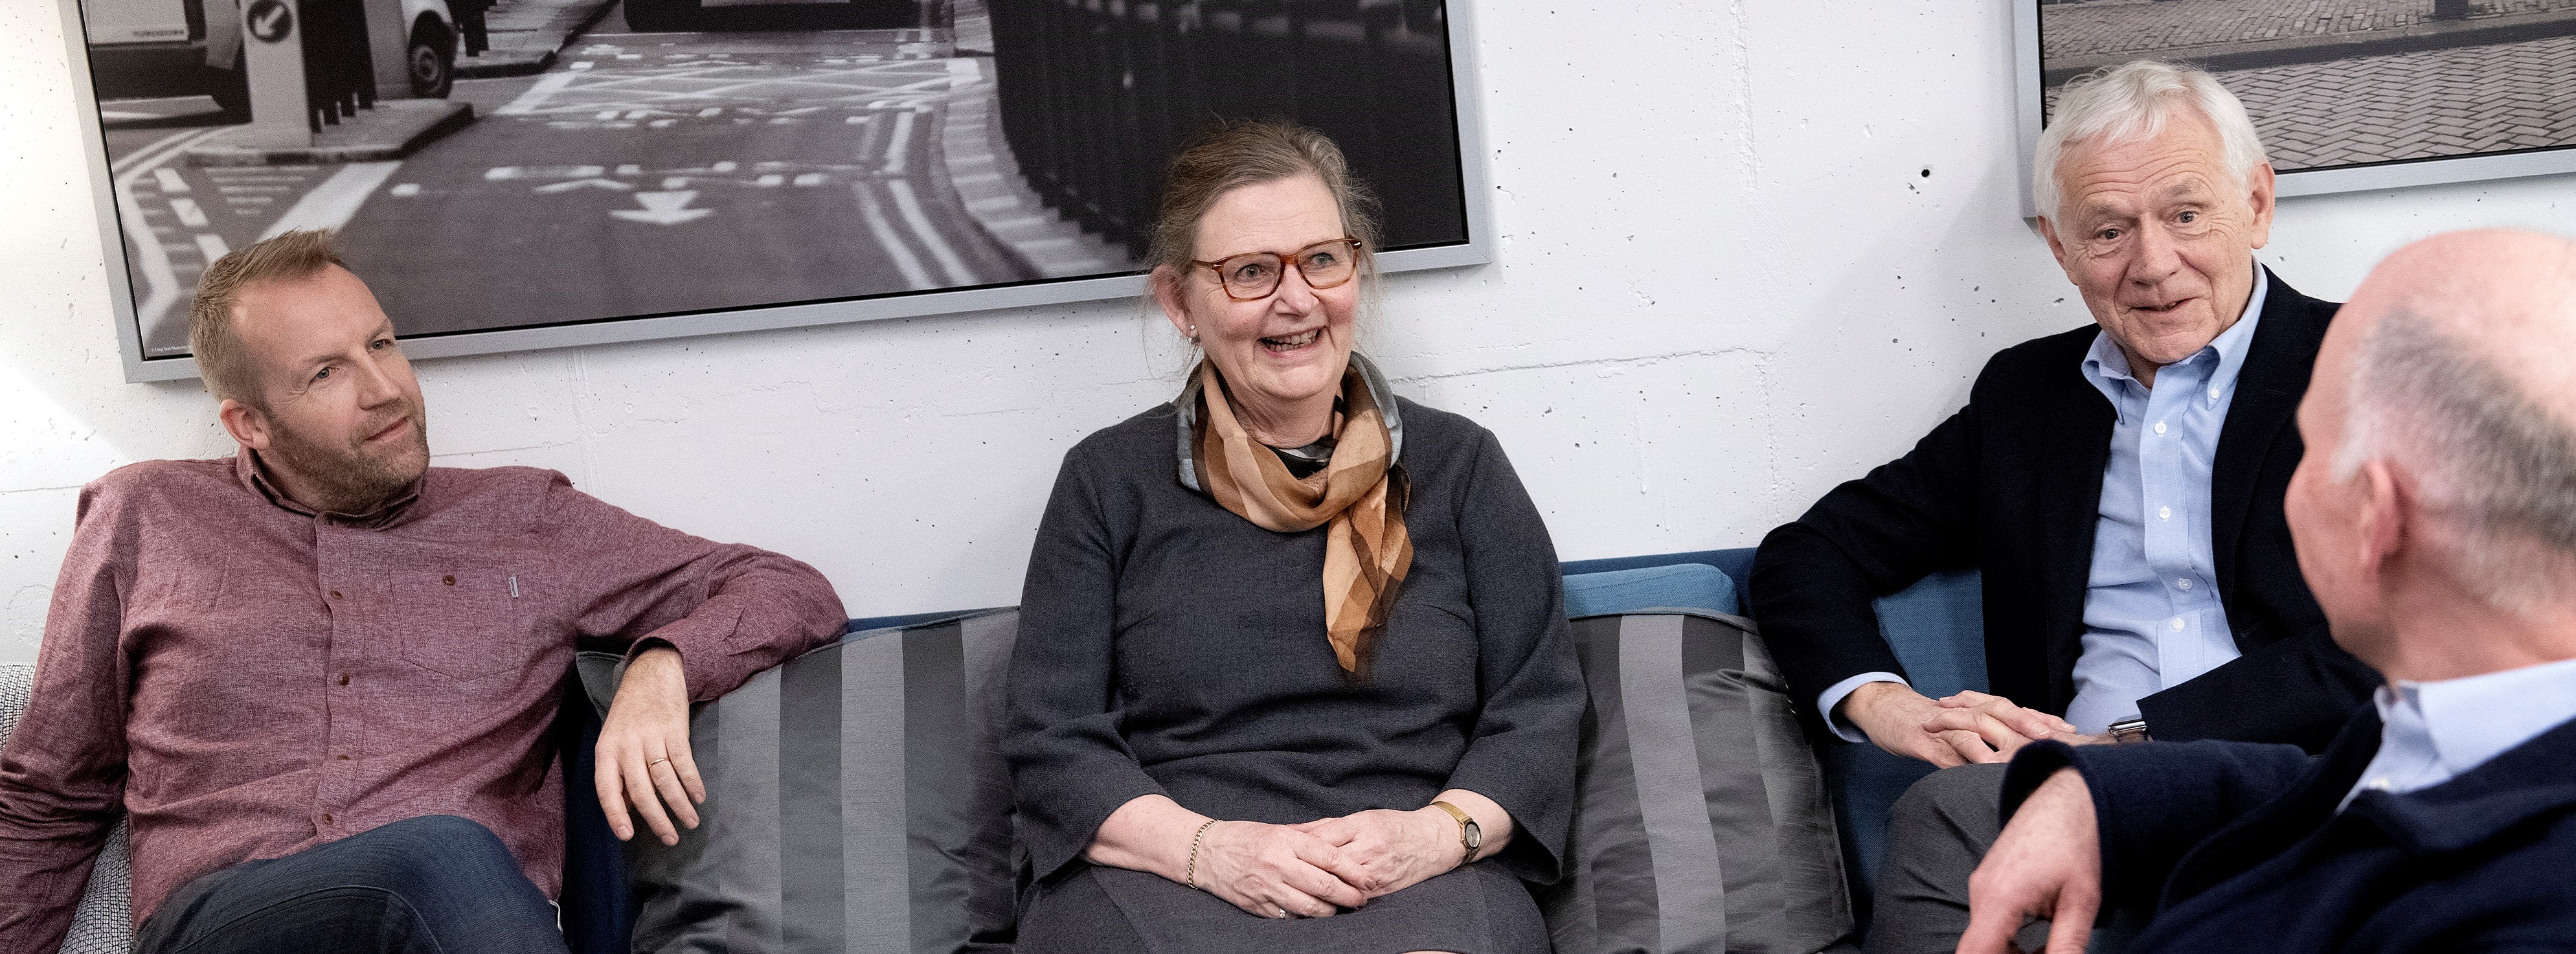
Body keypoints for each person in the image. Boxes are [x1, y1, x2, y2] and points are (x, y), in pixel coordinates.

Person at [0, 230, 850, 953]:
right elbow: (48, 795)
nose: (384, 389)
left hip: (465, 924)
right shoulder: (144, 513)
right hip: (233, 919)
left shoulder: (528, 520)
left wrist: (663, 668)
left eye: (381, 343)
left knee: (442, 862)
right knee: (431, 857)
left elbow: (786, 586)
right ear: (249, 422)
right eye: (326, 374)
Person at [1747, 60, 2377, 952]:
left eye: (2185, 215)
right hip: (2068, 798)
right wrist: (1887, 704)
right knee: (1951, 818)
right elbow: (1808, 555)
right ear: (2059, 246)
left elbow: (2427, 641)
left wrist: (2137, 742)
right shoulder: (2025, 399)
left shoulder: (2378, 372)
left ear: (2257, 205)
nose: (2152, 264)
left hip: (2307, 779)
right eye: (2108, 230)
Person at [1003, 121, 1585, 954]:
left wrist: (1432, 836)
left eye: (1322, 259)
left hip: (1414, 874)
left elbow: (1539, 708)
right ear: (1180, 302)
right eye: (1250, 272)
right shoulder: (1107, 482)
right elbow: (1051, 739)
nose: (1297, 299)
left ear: (1357, 270)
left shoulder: (1461, 468)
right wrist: (1211, 851)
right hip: (1167, 871)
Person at [1961, 229, 2576, 954]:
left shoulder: (2521, 920)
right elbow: (2362, 778)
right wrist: (2102, 795)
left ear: (2375, 517)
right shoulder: (2470, 716)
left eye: (2311, 451)